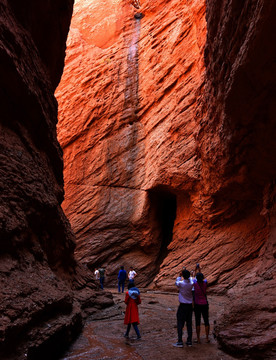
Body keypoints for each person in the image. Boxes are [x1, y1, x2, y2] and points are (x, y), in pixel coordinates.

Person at [173, 269, 194, 348]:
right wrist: (191, 275)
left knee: (180, 323)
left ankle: (180, 341)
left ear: (183, 276)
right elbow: (192, 279)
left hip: (182, 306)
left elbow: (176, 282)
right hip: (189, 306)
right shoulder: (192, 283)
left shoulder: (181, 283)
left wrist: (179, 275)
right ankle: (189, 341)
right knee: (189, 324)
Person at [193, 272, 210, 343]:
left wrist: (195, 273)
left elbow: (193, 278)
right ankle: (207, 338)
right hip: (205, 304)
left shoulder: (195, 284)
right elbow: (205, 279)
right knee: (206, 320)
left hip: (197, 304)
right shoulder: (205, 283)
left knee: (197, 321)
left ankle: (198, 338)